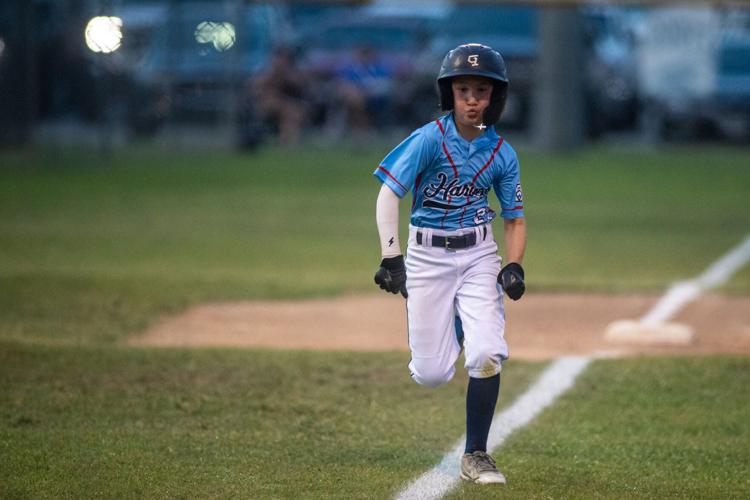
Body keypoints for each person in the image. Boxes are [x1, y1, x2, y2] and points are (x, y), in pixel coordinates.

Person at [372, 43, 527, 485]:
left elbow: (514, 219)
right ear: (449, 95)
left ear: (496, 97)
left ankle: (476, 453)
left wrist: (513, 265)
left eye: (482, 90)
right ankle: (457, 322)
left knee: (486, 353)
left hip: (478, 254)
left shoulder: (503, 155)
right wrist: (391, 257)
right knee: (432, 374)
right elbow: (388, 193)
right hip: (426, 256)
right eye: (464, 90)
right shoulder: (429, 139)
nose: (473, 99)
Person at [250, 46, 309, 146]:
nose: (280, 62)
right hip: (265, 106)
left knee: (293, 112)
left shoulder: (292, 72)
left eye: (283, 59)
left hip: (289, 105)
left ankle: (288, 143)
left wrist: (285, 76)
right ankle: (288, 144)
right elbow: (254, 89)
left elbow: (302, 85)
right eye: (278, 58)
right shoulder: (265, 71)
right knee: (291, 111)